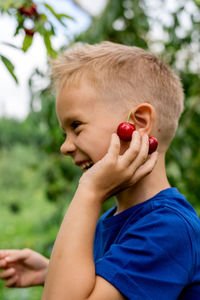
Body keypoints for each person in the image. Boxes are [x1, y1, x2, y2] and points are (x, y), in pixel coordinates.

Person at [0, 42, 200, 299]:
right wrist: (51, 272)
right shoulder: (112, 220)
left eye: (76, 126)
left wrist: (89, 192)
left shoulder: (168, 229)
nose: (65, 147)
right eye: (65, 132)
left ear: (138, 123)